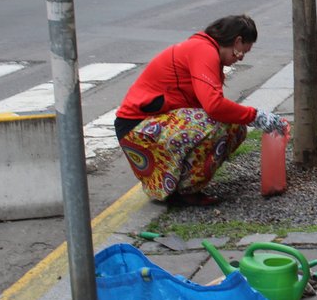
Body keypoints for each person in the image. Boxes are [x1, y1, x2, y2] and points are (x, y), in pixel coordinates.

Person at [114, 15, 287, 206]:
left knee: (234, 127)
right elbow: (214, 106)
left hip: (150, 127)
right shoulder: (203, 50)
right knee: (217, 124)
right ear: (237, 41)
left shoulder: (205, 49)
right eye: (242, 52)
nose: (241, 58)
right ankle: (184, 191)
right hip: (137, 129)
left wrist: (249, 117)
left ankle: (180, 186)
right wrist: (256, 115)